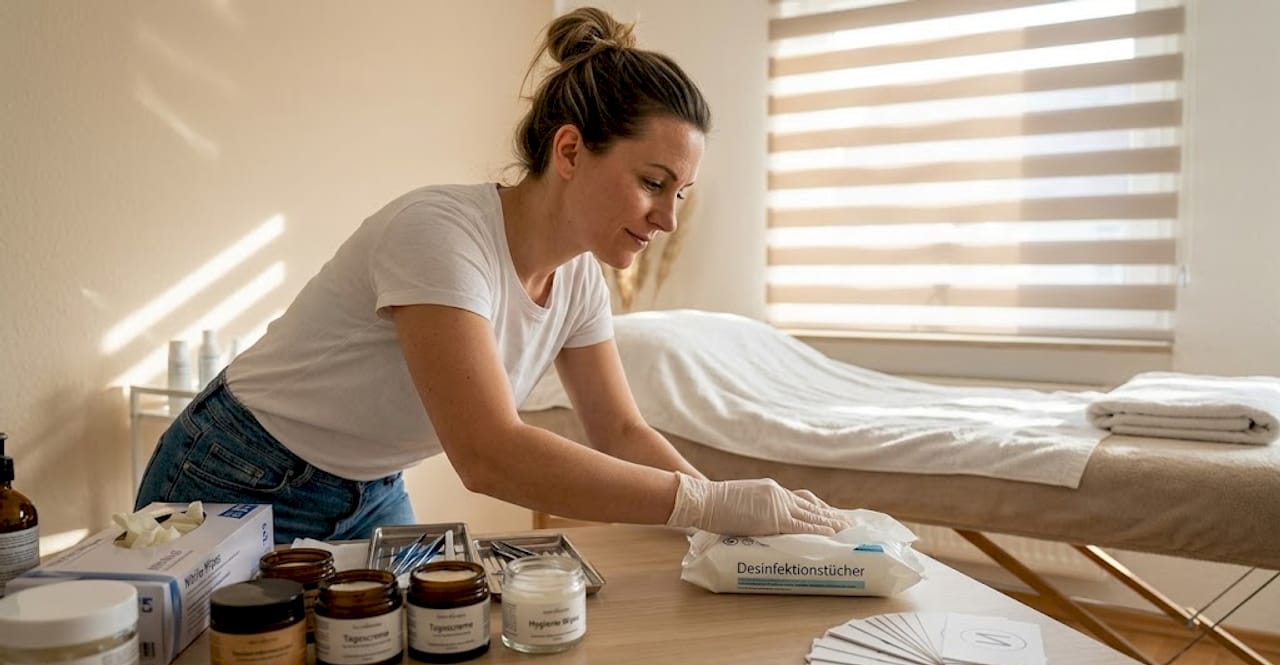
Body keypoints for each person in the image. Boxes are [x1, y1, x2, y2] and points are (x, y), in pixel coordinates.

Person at [134, 7, 849, 543]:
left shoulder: (577, 284)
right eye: (653, 182)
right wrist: (703, 504)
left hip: (369, 486)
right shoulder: (440, 236)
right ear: (569, 150)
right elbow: (489, 453)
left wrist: (726, 523)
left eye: (679, 195)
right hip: (237, 473)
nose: (666, 219)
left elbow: (622, 430)